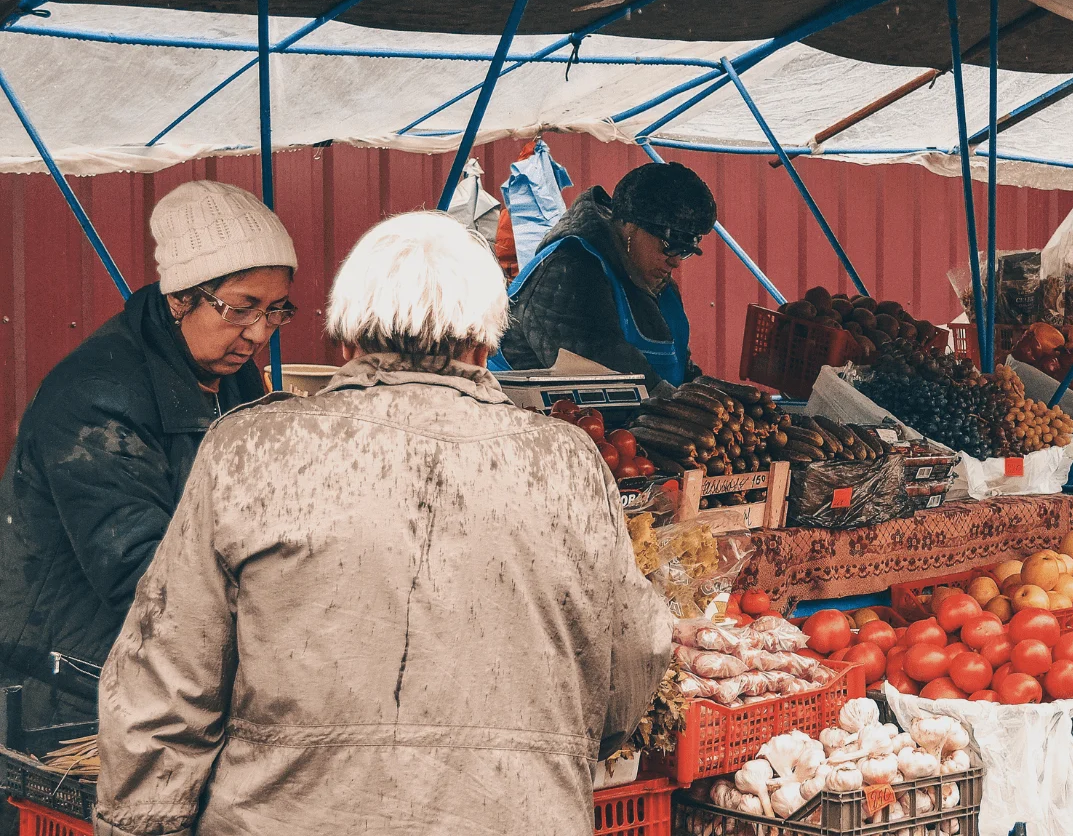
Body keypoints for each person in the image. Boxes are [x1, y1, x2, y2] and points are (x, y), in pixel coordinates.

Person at [94, 212, 672, 836]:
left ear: (347, 340)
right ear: (484, 344)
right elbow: (631, 662)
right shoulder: (567, 465)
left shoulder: (250, 451)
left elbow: (164, 684)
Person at [0, 180, 296, 726]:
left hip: (164, 671)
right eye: (241, 308)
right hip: (70, 685)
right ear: (181, 297)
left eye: (276, 310)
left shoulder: (230, 376)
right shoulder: (95, 399)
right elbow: (144, 577)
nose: (258, 333)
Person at [498, 161, 715, 390]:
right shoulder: (568, 271)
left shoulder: (659, 283)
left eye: (684, 252)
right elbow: (607, 372)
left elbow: (680, 367)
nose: (676, 261)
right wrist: (681, 405)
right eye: (668, 246)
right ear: (631, 226)